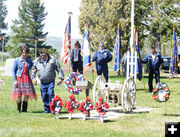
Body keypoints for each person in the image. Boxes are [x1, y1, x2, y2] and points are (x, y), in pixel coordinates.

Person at [31, 48, 64, 113]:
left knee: (50, 94)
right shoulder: (37, 61)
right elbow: (33, 69)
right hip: (42, 82)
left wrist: (61, 78)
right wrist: (34, 78)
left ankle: (52, 108)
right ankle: (46, 109)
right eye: (41, 55)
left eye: (44, 55)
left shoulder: (52, 59)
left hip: (50, 81)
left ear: (47, 54)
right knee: (44, 95)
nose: (43, 57)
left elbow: (59, 69)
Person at [12, 45, 37, 113]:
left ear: (27, 53)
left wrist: (34, 70)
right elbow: (13, 71)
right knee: (19, 95)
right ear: (21, 52)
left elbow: (33, 68)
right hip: (19, 78)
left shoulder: (29, 60)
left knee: (27, 95)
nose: (24, 54)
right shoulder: (17, 60)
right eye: (23, 52)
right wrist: (15, 81)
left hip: (27, 79)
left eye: (26, 52)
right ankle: (18, 109)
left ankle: (24, 109)